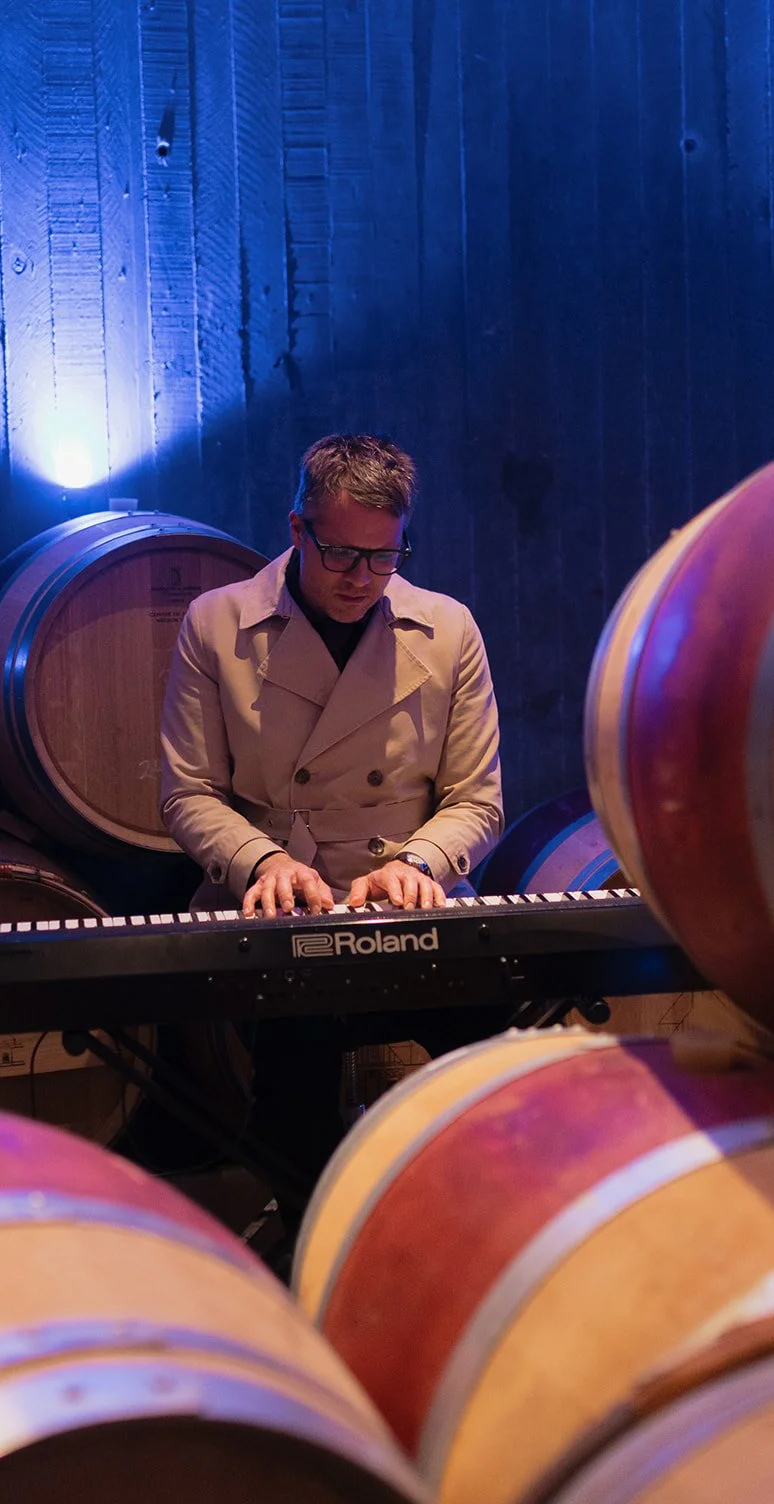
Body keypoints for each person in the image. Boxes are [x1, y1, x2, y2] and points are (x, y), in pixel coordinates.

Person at [158, 433, 504, 1186]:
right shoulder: (216, 623)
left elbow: (477, 799)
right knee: (293, 1098)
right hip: (276, 905)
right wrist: (263, 862)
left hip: (412, 900)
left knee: (495, 1082)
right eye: (342, 554)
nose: (363, 578)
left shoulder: (450, 628)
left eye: (385, 556)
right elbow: (188, 792)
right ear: (297, 529)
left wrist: (419, 864)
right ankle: (308, 1234)